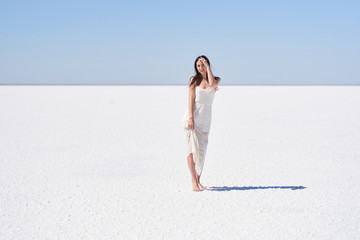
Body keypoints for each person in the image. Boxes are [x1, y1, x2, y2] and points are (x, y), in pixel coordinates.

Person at [182, 55, 221, 192]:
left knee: (202, 153)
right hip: (193, 118)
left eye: (203, 65)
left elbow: (211, 85)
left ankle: (199, 181)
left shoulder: (215, 80)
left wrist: (208, 68)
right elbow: (191, 100)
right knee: (192, 151)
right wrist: (191, 118)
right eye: (198, 66)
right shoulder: (193, 80)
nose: (200, 68)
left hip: (206, 120)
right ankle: (193, 182)